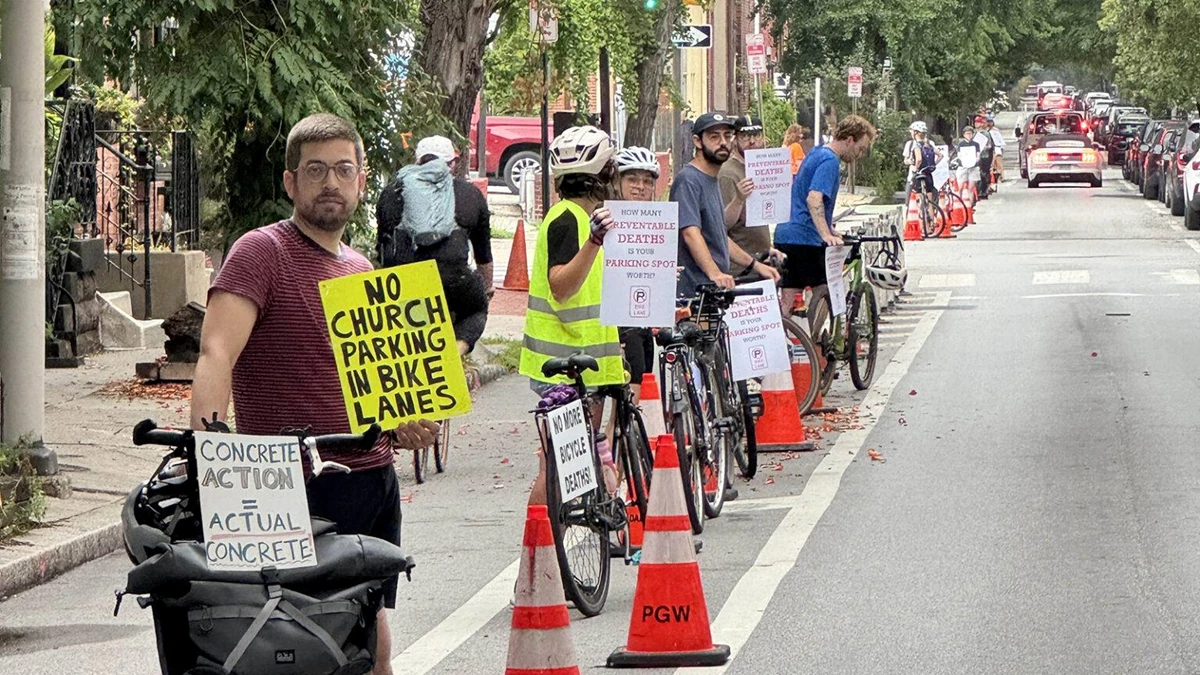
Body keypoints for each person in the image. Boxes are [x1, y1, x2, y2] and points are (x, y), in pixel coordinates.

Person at [192, 113, 440, 675]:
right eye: (316, 170)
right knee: (287, 644)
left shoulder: (362, 270)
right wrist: (208, 455)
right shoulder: (262, 252)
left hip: (371, 481)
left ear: (361, 179)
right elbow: (216, 355)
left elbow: (386, 390)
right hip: (288, 483)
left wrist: (410, 421)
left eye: (343, 170)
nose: (331, 182)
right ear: (291, 182)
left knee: (367, 632)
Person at [376, 136, 493, 360]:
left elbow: (382, 245)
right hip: (452, 279)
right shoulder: (470, 193)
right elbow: (483, 256)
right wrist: (486, 290)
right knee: (476, 310)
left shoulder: (391, 192)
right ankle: (454, 353)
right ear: (453, 164)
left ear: (416, 161)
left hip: (401, 282)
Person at [670, 111, 779, 301]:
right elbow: (690, 233)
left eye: (727, 136)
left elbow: (720, 236)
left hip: (714, 289)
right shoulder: (688, 180)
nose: (723, 142)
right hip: (694, 291)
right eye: (714, 137)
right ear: (697, 141)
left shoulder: (712, 180)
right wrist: (714, 273)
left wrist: (755, 265)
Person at [773, 115, 876, 314]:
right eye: (860, 148)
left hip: (786, 234)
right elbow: (813, 199)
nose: (860, 154)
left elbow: (803, 194)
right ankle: (814, 342)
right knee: (826, 291)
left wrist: (829, 227)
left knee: (787, 297)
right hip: (806, 238)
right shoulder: (830, 161)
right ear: (849, 140)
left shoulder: (817, 152)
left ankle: (784, 340)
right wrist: (825, 235)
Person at [614, 146, 661, 405]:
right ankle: (609, 442)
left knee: (640, 383)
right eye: (632, 179)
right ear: (618, 181)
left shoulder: (658, 222)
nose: (640, 187)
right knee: (627, 386)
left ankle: (618, 441)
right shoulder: (604, 218)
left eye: (646, 181)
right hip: (614, 317)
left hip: (642, 316)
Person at [719, 114, 773, 260]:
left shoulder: (759, 169)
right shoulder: (727, 172)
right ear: (735, 139)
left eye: (756, 135)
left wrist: (769, 249)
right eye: (745, 136)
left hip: (761, 259)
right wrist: (739, 199)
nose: (752, 141)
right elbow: (721, 224)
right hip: (740, 266)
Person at [903, 121, 941, 197]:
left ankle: (909, 207)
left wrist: (913, 165)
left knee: (913, 196)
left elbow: (917, 159)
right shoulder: (930, 143)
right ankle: (930, 208)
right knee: (929, 194)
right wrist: (933, 164)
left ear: (916, 132)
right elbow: (940, 155)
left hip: (915, 174)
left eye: (912, 131)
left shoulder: (912, 144)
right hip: (928, 172)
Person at [974, 115, 995, 199]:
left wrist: (982, 147)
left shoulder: (986, 134)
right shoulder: (974, 133)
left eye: (979, 122)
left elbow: (990, 146)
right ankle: (978, 191)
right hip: (976, 156)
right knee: (977, 173)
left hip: (985, 156)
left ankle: (984, 190)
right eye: (976, 122)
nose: (977, 124)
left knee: (984, 173)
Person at [985, 115, 1006, 184]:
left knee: (998, 159)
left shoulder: (995, 130)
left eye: (990, 121)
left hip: (996, 147)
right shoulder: (984, 131)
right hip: (987, 148)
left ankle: (1000, 176)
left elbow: (999, 140)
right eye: (988, 121)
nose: (989, 123)